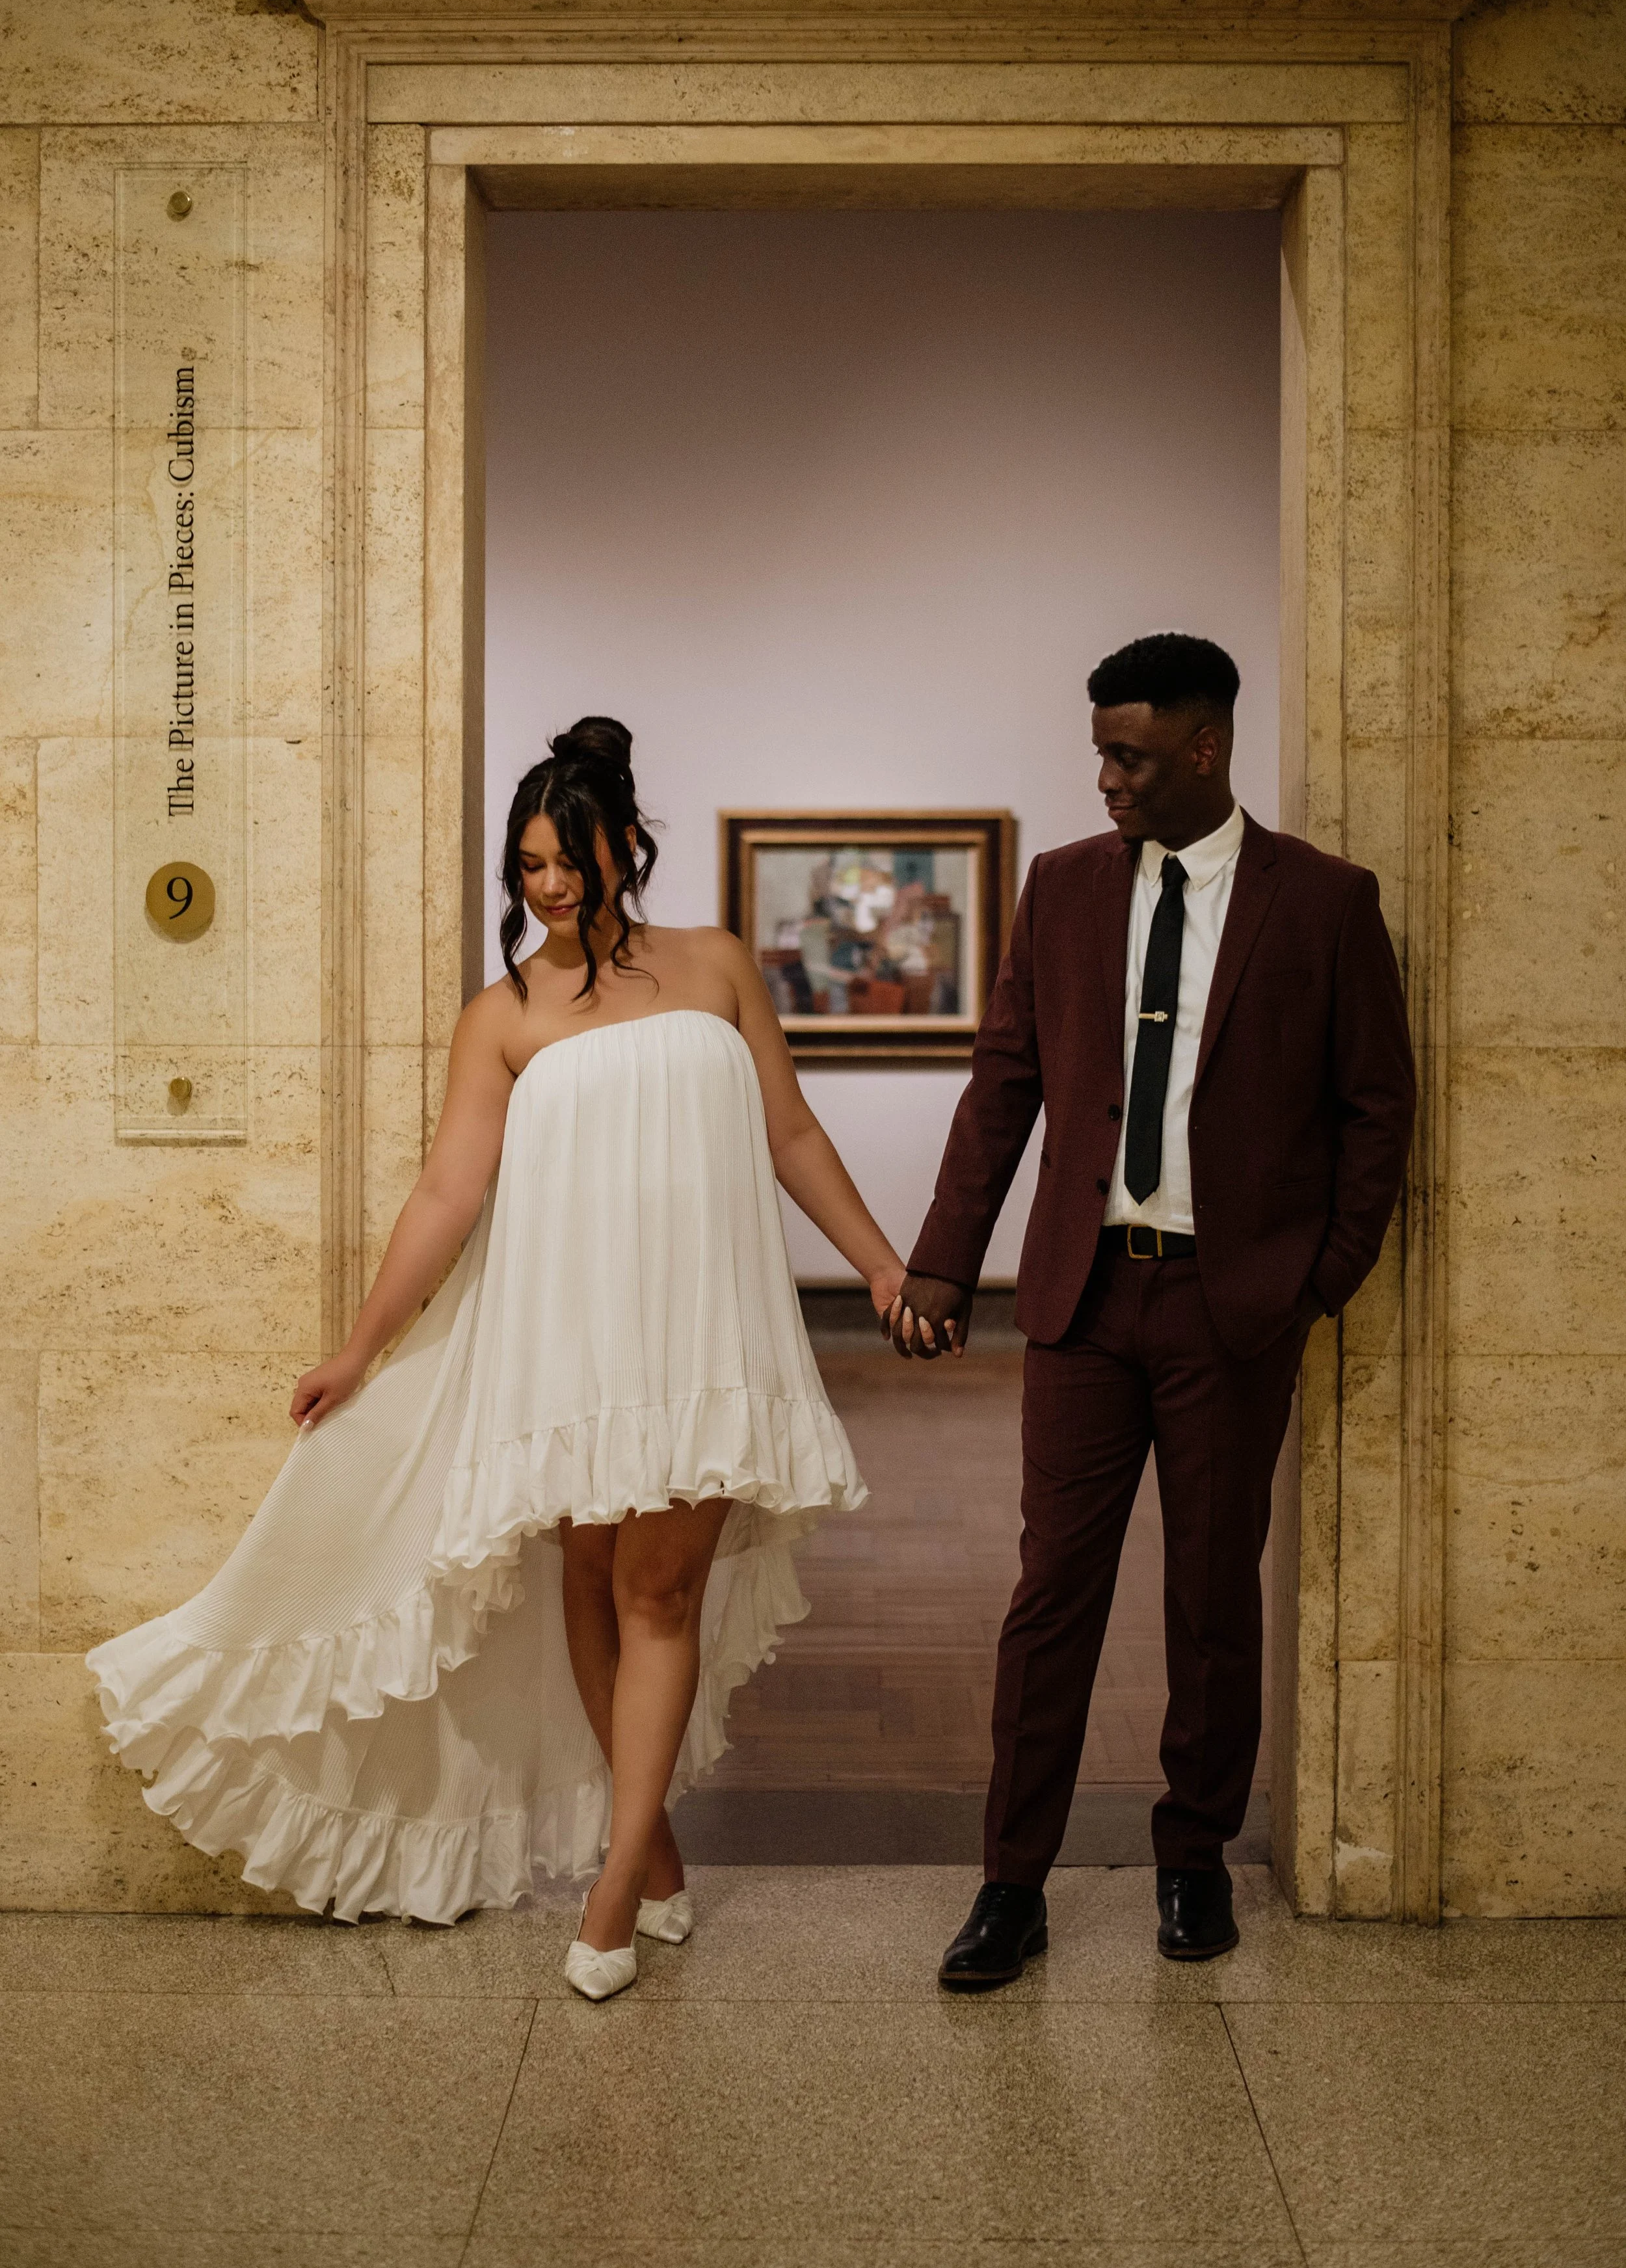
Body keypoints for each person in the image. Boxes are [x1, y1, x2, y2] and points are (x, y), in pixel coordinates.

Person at [89, 719, 906, 2001]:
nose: (549, 885)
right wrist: (362, 1346)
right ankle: (661, 1859)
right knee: (587, 1575)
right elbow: (445, 1195)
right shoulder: (504, 1014)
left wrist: (878, 1262)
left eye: (569, 857)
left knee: (660, 1593)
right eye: (527, 865)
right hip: (570, 1329)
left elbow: (788, 1132)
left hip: (701, 1329)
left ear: (627, 844)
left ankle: (608, 1893)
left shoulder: (716, 967)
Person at [890, 634, 1415, 1984]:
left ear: (1202, 746)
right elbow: (1002, 1079)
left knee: (1208, 1599)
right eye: (1097, 756)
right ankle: (1011, 1883)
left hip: (1229, 1309)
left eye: (1127, 754)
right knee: (1050, 1591)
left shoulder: (1320, 902)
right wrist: (945, 1257)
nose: (1105, 780)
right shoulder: (1061, 891)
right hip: (1077, 1298)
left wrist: (1314, 1281)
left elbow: (1375, 1108)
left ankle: (1191, 1860)